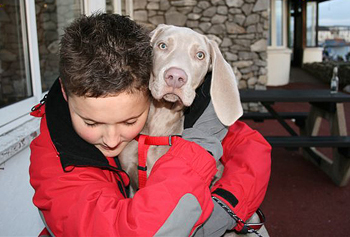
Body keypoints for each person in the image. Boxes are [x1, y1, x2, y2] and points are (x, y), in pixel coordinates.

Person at [29, 13, 271, 236]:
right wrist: (200, 150)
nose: (113, 140)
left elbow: (251, 147)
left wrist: (226, 203)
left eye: (129, 121)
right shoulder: (57, 161)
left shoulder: (182, 111)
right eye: (92, 122)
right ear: (65, 92)